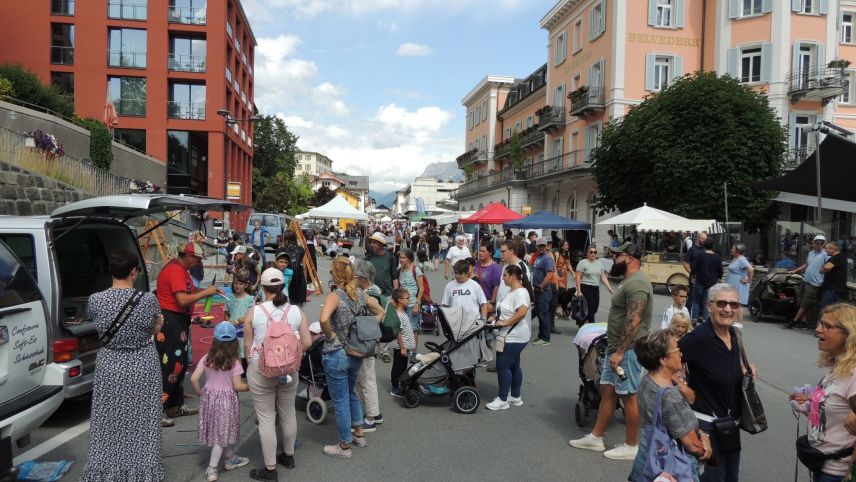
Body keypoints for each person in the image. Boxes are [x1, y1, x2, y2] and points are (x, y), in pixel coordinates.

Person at [81, 250, 165, 481]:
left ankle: (107, 468)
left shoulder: (95, 300)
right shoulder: (147, 300)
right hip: (141, 365)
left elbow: (94, 322)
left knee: (109, 418)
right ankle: (142, 469)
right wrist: (159, 324)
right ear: (134, 271)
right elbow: (154, 329)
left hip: (110, 366)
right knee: (143, 418)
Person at [570, 242, 653, 461]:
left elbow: (634, 320)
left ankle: (631, 445)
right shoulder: (629, 282)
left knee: (629, 396)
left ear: (630, 258)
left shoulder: (637, 284)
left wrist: (621, 351)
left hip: (627, 350)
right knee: (607, 389)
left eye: (617, 256)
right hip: (615, 347)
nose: (613, 260)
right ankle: (596, 437)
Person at [243, 268, 312, 480]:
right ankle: (288, 456)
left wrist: (252, 361)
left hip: (261, 369)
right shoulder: (295, 311)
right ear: (283, 286)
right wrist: (292, 356)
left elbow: (247, 346)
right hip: (289, 370)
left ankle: (270, 468)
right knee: (288, 412)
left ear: (263, 288)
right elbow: (307, 342)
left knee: (265, 418)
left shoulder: (255, 312)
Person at [679, 283, 752, 481]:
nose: (728, 309)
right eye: (721, 303)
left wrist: (744, 369)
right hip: (706, 427)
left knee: (730, 477)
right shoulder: (698, 338)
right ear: (709, 305)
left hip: (730, 426)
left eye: (734, 304)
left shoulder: (734, 335)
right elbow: (660, 360)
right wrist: (681, 385)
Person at [319, 257, 384, 459]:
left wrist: (331, 336)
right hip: (356, 351)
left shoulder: (335, 295)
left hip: (337, 352)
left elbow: (323, 319)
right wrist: (365, 328)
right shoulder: (360, 294)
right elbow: (381, 311)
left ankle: (344, 446)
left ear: (335, 273)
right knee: (351, 393)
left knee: (340, 400)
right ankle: (359, 434)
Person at [629, 330, 712, 481]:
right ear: (663, 359)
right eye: (677, 349)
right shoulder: (670, 397)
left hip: (648, 460)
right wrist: (704, 448)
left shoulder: (647, 380)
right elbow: (693, 445)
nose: (681, 353)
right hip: (671, 469)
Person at [156, 242, 223, 426]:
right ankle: (158, 410)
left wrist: (209, 291)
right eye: (197, 258)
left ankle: (175, 405)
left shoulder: (181, 269)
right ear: (187, 255)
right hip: (171, 321)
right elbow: (182, 299)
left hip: (178, 320)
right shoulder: (176, 270)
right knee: (170, 366)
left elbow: (190, 291)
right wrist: (206, 292)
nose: (198, 262)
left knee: (180, 364)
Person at [790, 304, 856, 482]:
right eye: (820, 323)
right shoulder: (839, 365)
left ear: (847, 333)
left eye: (827, 326)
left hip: (837, 471)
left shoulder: (854, 373)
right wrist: (810, 403)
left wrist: (850, 473)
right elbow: (837, 407)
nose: (818, 329)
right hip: (821, 463)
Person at [190, 322, 250, 482]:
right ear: (234, 342)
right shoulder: (235, 362)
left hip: (210, 398)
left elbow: (194, 378)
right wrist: (251, 386)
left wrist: (201, 393)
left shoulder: (206, 358)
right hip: (226, 401)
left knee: (218, 431)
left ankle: (231, 457)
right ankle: (212, 468)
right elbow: (237, 385)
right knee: (220, 436)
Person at [485, 264, 532, 411]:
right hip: (509, 334)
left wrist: (505, 322)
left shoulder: (520, 292)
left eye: (505, 275)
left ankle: (502, 399)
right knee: (514, 365)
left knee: (503, 365)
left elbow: (522, 312)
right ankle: (515, 396)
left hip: (514, 336)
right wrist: (495, 317)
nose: (503, 278)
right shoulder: (511, 291)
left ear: (513, 276)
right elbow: (507, 309)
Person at [353, 259, 384, 430]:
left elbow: (379, 313)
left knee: (366, 379)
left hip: (365, 341)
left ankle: (370, 418)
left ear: (362, 277)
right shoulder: (375, 289)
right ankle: (375, 413)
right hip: (371, 339)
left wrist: (363, 327)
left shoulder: (367, 294)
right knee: (366, 377)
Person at [785, 235, 828, 329]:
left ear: (824, 244)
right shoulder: (811, 253)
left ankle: (794, 321)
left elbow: (828, 267)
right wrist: (795, 271)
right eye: (817, 243)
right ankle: (803, 322)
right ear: (814, 243)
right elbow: (807, 264)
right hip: (806, 279)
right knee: (800, 301)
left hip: (815, 283)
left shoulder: (825, 254)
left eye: (821, 243)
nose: (819, 245)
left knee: (806, 303)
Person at [575, 245, 614, 326]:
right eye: (591, 252)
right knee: (589, 309)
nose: (593, 254)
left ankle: (584, 322)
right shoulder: (583, 263)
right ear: (587, 253)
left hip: (595, 288)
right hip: (585, 287)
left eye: (595, 252)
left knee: (594, 308)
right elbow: (578, 277)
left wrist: (610, 289)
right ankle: (590, 326)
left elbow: (603, 277)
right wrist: (578, 291)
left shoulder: (599, 263)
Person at [389, 288, 417, 397]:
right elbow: (398, 333)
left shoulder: (402, 312)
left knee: (402, 367)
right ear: (400, 300)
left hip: (404, 346)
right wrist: (403, 347)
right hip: (401, 347)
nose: (409, 300)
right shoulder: (399, 315)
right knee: (398, 367)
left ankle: (401, 383)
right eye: (407, 298)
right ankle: (395, 387)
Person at [224, 273, 254, 371]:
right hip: (232, 330)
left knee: (245, 352)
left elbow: (252, 315)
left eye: (240, 284)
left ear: (245, 285)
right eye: (235, 283)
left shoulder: (250, 299)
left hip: (245, 331)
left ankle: (244, 373)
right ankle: (235, 374)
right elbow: (226, 313)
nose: (237, 286)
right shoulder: (229, 298)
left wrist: (243, 319)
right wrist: (229, 321)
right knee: (234, 353)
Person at [690, 238, 723, 322]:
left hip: (700, 281)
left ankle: (694, 318)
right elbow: (720, 270)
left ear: (704, 245)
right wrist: (719, 277)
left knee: (696, 300)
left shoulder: (700, 255)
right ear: (712, 246)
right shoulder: (717, 257)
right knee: (707, 301)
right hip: (711, 282)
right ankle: (705, 319)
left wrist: (693, 275)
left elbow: (693, 267)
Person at [532, 237, 557, 346]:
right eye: (539, 245)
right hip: (538, 290)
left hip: (543, 291)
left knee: (543, 314)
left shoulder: (547, 259)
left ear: (546, 246)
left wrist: (541, 286)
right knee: (539, 313)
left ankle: (546, 339)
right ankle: (541, 336)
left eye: (543, 245)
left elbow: (550, 274)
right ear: (537, 246)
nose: (541, 247)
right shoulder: (538, 257)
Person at [682, 231, 709, 320]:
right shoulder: (692, 249)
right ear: (698, 238)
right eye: (702, 238)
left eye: (705, 239)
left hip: (705, 279)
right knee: (692, 298)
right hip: (694, 279)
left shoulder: (708, 250)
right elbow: (685, 263)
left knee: (703, 299)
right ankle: (687, 316)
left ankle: (700, 316)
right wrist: (692, 273)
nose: (704, 240)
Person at [398, 248, 424, 332]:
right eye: (400, 257)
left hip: (412, 304)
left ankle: (412, 346)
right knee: (402, 330)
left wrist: (417, 304)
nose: (401, 259)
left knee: (413, 330)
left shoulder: (415, 270)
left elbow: (421, 288)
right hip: (401, 305)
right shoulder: (399, 271)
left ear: (409, 259)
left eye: (404, 257)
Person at [365, 232, 399, 296]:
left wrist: (396, 296)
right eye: (371, 242)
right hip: (371, 294)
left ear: (381, 244)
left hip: (386, 295)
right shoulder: (369, 256)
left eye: (374, 242)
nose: (371, 245)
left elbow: (395, 277)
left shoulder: (390, 257)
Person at [281, 229, 308, 307]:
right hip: (299, 279)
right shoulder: (301, 249)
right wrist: (305, 281)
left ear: (285, 238)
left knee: (285, 305)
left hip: (286, 278)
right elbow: (304, 266)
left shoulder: (282, 250)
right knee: (298, 306)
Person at [820, 241, 848, 310]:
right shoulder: (832, 258)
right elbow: (821, 271)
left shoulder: (839, 257)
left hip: (834, 289)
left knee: (826, 309)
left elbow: (827, 267)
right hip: (830, 288)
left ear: (832, 249)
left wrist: (825, 267)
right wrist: (824, 267)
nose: (825, 250)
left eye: (826, 248)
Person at [475, 241, 502, 307]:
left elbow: (496, 287)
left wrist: (492, 303)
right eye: (480, 251)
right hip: (474, 300)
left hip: (486, 302)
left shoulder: (495, 267)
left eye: (483, 251)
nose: (480, 253)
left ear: (490, 253)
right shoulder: (475, 264)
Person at [555, 240, 574, 318]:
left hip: (565, 274)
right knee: (560, 291)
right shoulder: (557, 253)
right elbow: (554, 265)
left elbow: (568, 264)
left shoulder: (567, 253)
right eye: (565, 245)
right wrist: (556, 275)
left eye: (567, 245)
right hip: (558, 274)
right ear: (561, 246)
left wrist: (573, 273)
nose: (567, 247)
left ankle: (562, 308)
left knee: (563, 293)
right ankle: (555, 309)